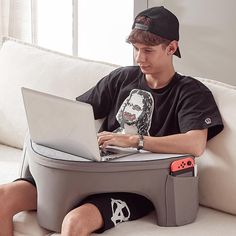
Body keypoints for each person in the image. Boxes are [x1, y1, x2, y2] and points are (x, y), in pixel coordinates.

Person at [0, 6, 224, 236]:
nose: (139, 58)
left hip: (133, 187)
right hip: (85, 174)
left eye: (148, 50)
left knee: (74, 223)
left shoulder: (190, 92)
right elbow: (75, 112)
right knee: (2, 198)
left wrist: (134, 141)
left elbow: (194, 144)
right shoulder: (122, 78)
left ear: (171, 47)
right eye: (136, 49)